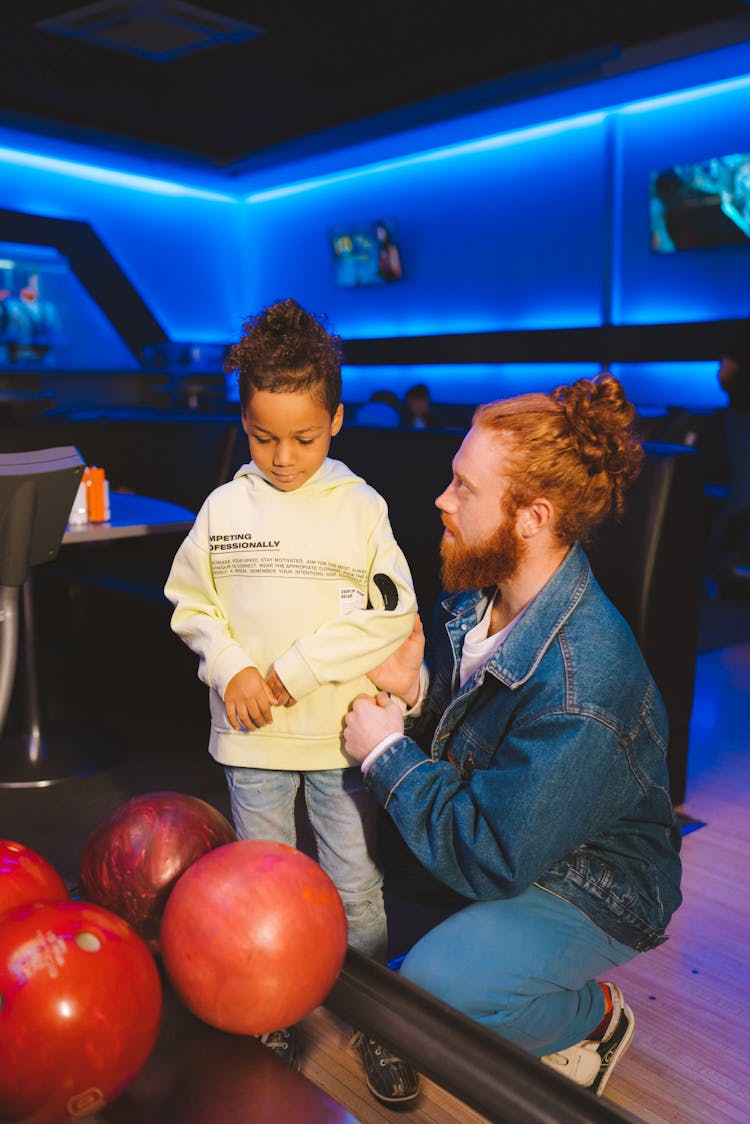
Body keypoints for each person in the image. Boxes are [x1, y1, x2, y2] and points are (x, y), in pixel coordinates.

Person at [343, 374, 683, 1098]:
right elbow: (482, 745)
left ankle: (592, 1019)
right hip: (520, 832)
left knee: (437, 991)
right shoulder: (482, 593)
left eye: (464, 487)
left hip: (597, 877)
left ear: (532, 517)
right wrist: (419, 691)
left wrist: (384, 749)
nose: (442, 499)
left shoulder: (585, 682)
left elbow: (491, 852)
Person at [164, 298, 420, 1105]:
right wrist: (232, 666)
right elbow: (189, 603)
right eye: (263, 436)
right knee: (262, 886)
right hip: (253, 744)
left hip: (341, 737)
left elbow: (392, 613)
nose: (283, 457)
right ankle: (270, 1009)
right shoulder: (223, 510)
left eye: (304, 438)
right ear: (242, 420)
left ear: (337, 420)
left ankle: (378, 1018)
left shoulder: (361, 508)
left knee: (353, 886)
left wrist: (295, 671)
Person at [713, 315, 750, 569]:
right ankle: (711, 568)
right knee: (742, 495)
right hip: (742, 417)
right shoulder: (744, 331)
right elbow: (725, 374)